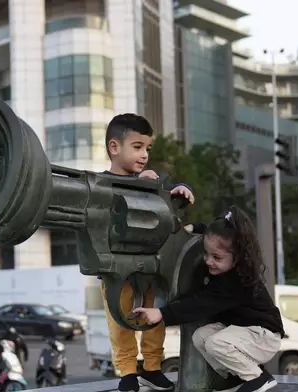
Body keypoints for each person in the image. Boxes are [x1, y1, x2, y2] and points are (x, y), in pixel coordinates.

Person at [134, 207, 284, 392]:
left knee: (216, 343)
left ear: (237, 258)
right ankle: (235, 378)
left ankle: (258, 378)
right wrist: (193, 228)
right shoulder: (223, 260)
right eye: (206, 254)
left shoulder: (236, 282)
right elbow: (210, 231)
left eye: (217, 257)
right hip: (242, 331)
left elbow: (200, 304)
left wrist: (162, 313)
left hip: (264, 336)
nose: (209, 261)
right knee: (200, 337)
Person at [101, 113, 194, 392]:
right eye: (137, 147)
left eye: (147, 149)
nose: (144, 155)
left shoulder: (150, 180)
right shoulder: (101, 182)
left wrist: (179, 189)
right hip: (117, 268)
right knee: (120, 321)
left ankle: (153, 367)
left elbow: (175, 196)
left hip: (152, 266)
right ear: (114, 147)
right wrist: (140, 183)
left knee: (155, 317)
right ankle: (128, 371)